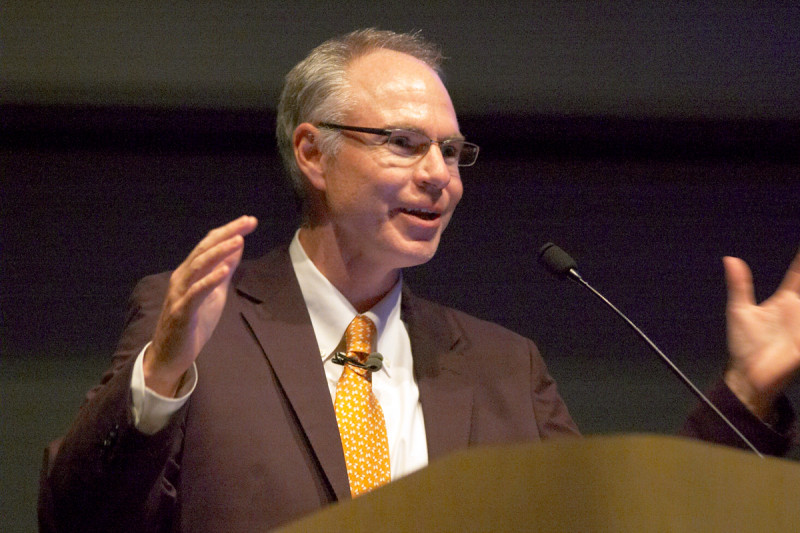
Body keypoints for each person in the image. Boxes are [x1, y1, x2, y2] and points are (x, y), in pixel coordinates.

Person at [39, 29, 800, 532]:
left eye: (453, 151)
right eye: (405, 144)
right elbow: (73, 516)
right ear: (312, 152)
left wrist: (747, 396)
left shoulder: (505, 366)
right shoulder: (200, 324)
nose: (441, 177)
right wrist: (160, 378)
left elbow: (614, 515)